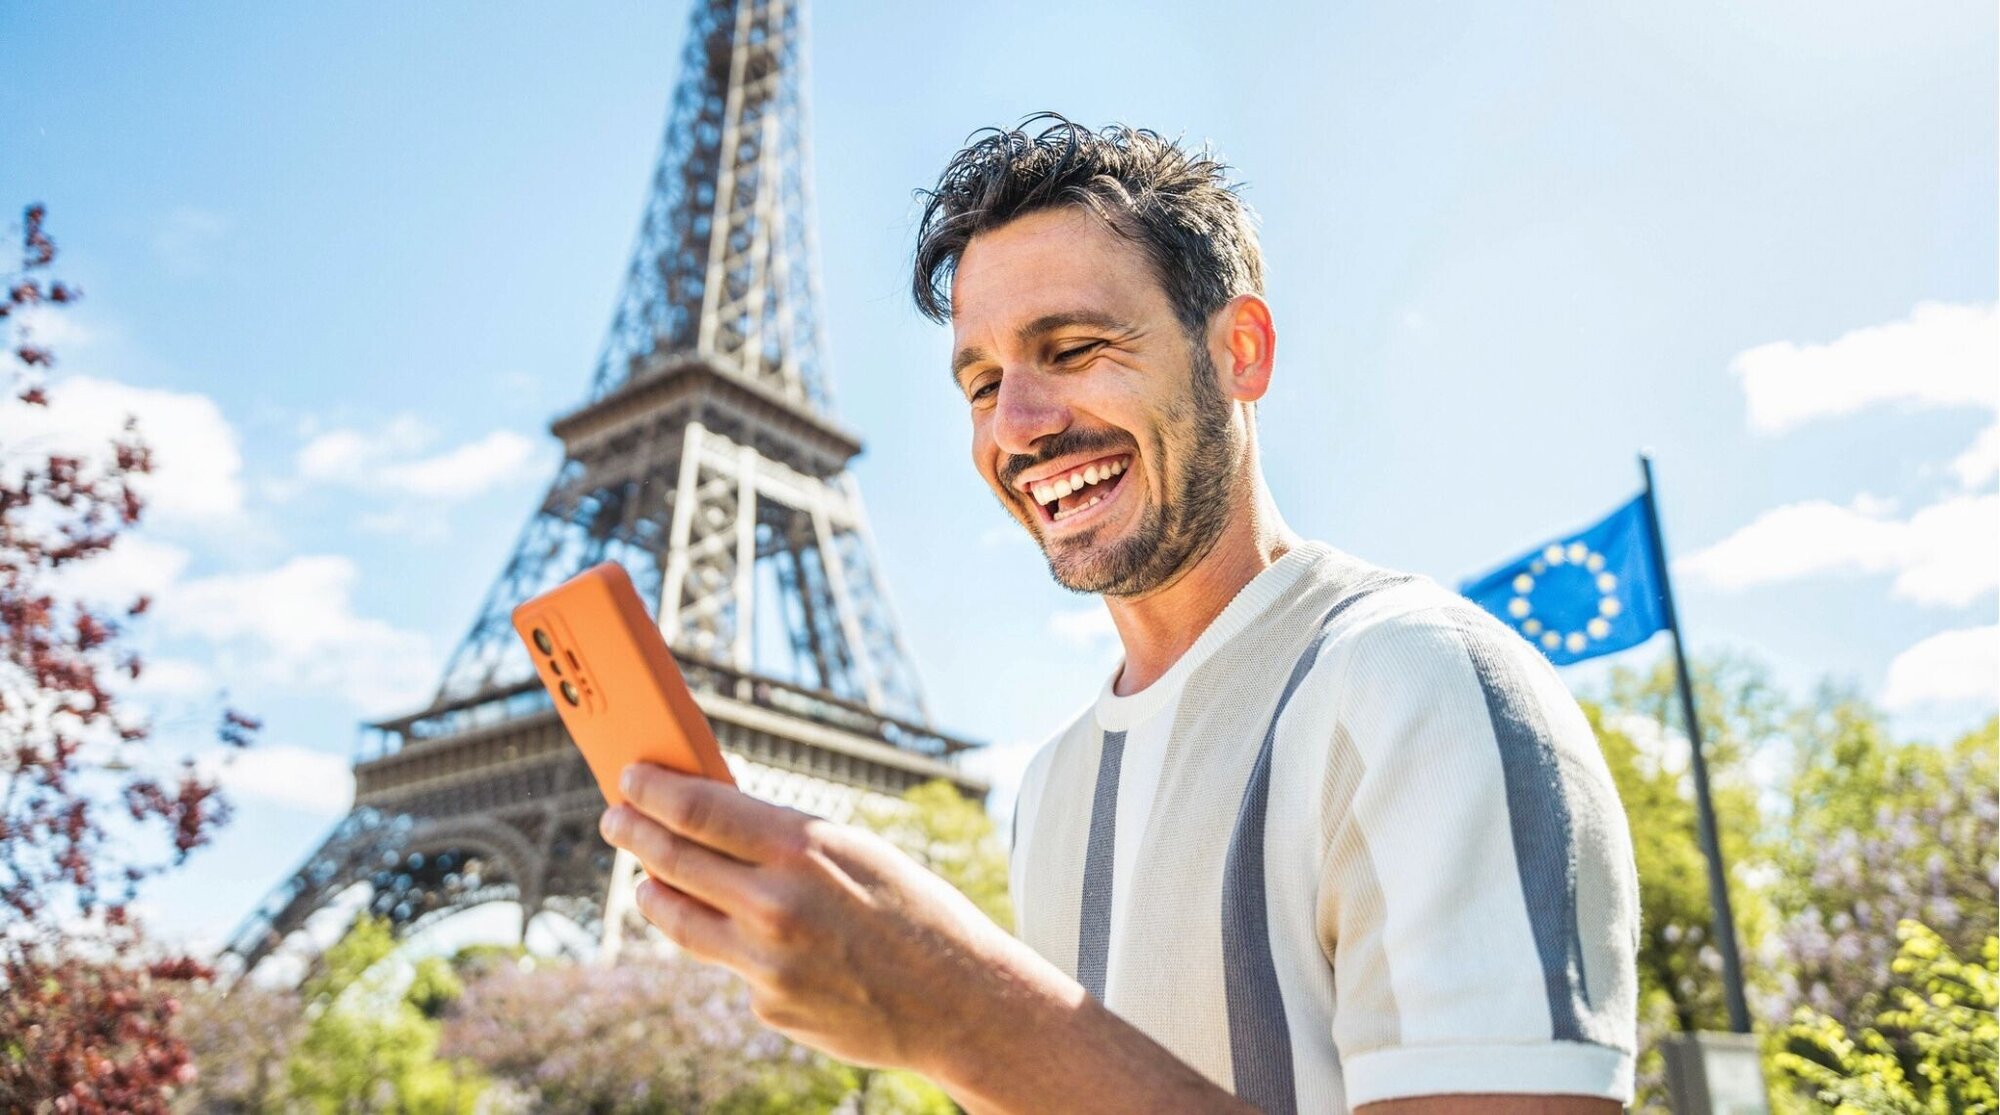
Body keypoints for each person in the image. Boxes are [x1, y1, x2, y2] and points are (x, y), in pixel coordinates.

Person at [600, 115, 1639, 1113]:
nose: (1016, 425)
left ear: (1239, 350)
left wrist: (968, 1014)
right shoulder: (1053, 784)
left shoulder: (1420, 683)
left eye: (1071, 347)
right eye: (980, 383)